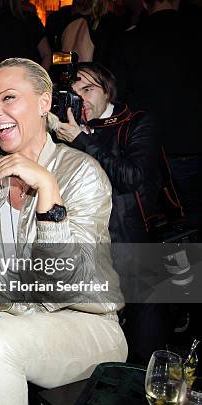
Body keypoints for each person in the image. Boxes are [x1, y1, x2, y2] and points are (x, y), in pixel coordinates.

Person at [0, 58, 127, 405]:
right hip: (12, 319)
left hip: (87, 321)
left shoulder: (82, 173)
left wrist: (48, 189)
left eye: (8, 98)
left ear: (44, 102)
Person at [54, 62, 167, 363]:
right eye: (73, 93)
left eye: (88, 89)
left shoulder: (137, 122)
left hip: (136, 247)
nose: (81, 100)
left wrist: (80, 140)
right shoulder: (66, 130)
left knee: (147, 345)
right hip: (93, 250)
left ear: (108, 91)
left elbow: (131, 178)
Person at [108, 0, 202, 232]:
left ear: (144, 3)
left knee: (170, 225)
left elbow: (117, 95)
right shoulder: (197, 33)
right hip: (191, 140)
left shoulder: (129, 41)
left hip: (156, 150)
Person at [0, 0, 52, 88]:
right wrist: (37, 83)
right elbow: (47, 54)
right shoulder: (30, 20)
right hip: (26, 86)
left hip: (0, 88)